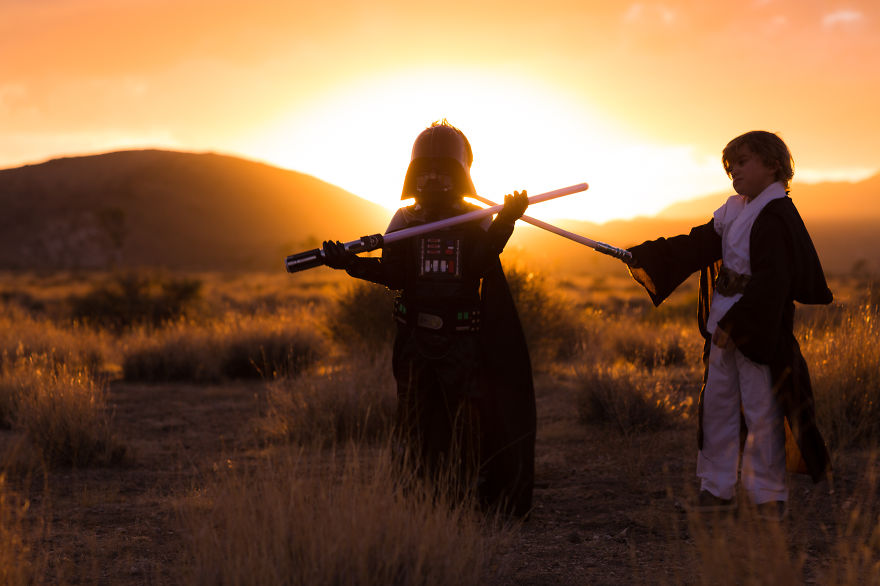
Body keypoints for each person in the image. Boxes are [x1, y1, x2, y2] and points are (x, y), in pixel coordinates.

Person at [321, 120, 536, 517]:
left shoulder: (476, 219)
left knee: (467, 421)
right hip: (414, 341)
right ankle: (416, 499)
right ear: (413, 173)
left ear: (460, 173)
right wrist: (350, 263)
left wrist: (506, 221)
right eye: (426, 170)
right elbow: (395, 274)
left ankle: (469, 498)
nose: (434, 178)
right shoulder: (404, 220)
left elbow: (479, 264)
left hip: (463, 341)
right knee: (413, 419)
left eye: (444, 170)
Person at [624, 130, 832, 519]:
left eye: (743, 161)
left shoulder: (777, 216)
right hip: (724, 319)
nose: (734, 170)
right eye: (730, 164)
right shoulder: (735, 210)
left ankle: (767, 496)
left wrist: (738, 326)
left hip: (757, 326)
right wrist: (642, 255)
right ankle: (716, 489)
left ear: (772, 165)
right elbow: (696, 245)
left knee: (760, 406)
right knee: (717, 405)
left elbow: (772, 282)